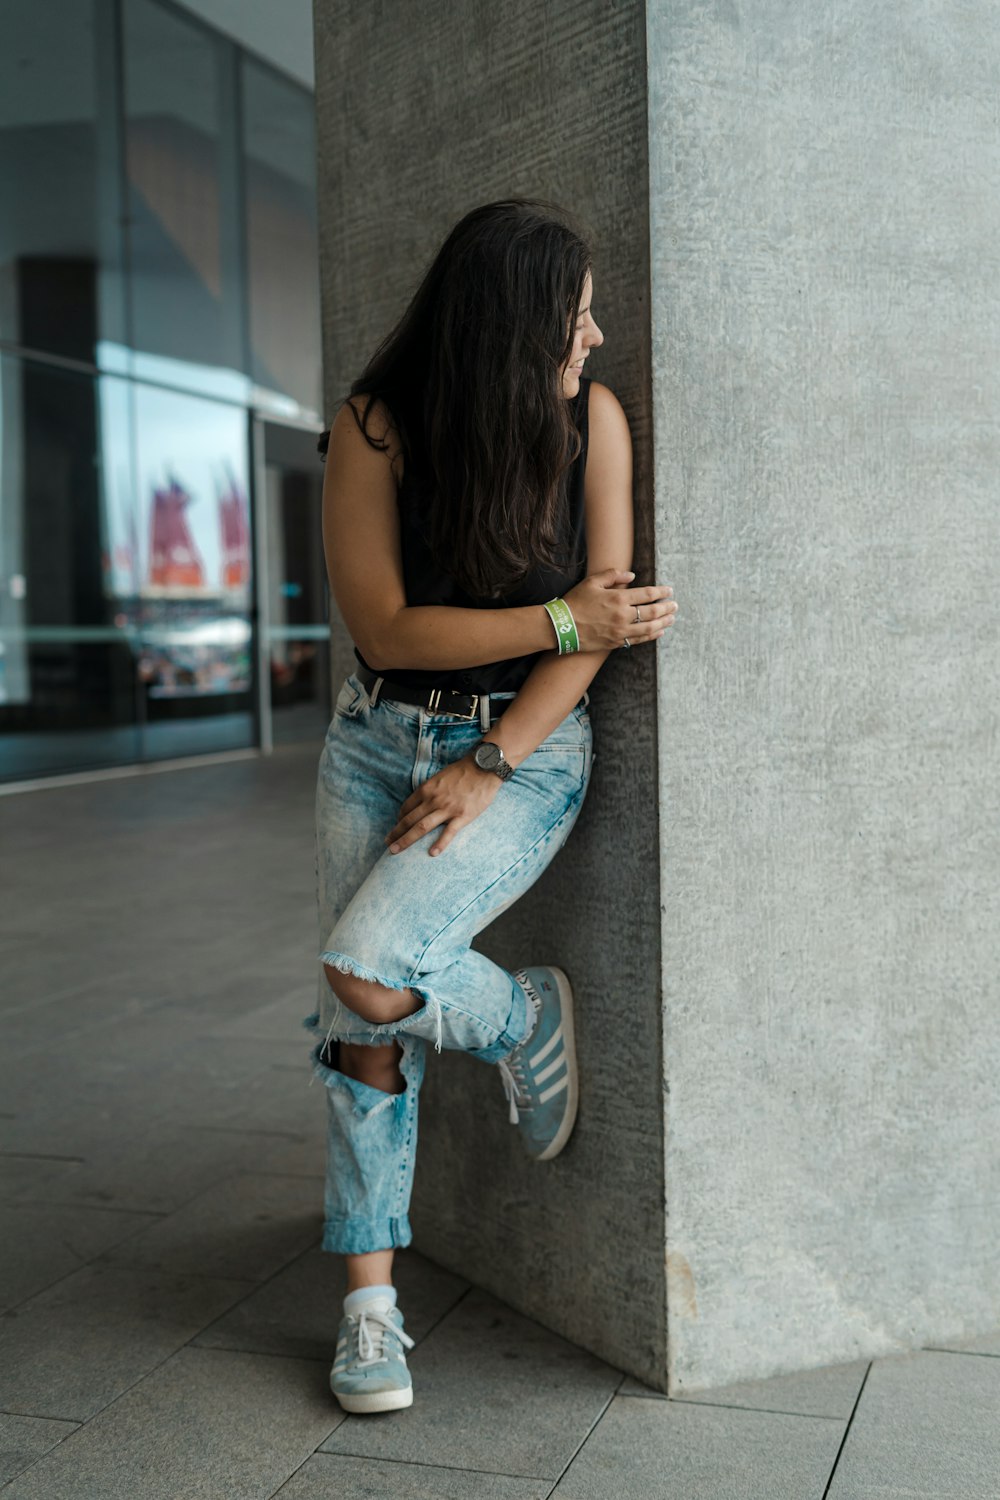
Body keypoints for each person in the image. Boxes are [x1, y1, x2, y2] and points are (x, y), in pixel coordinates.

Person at [303, 199, 677, 1414]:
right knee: (356, 1023)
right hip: (373, 744)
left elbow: (599, 641)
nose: (595, 336)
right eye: (574, 316)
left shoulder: (592, 425)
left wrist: (492, 758)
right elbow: (390, 628)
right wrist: (568, 616)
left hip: (521, 744)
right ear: (511, 323)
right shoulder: (374, 426)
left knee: (367, 969)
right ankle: (369, 1311)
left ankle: (517, 1023)